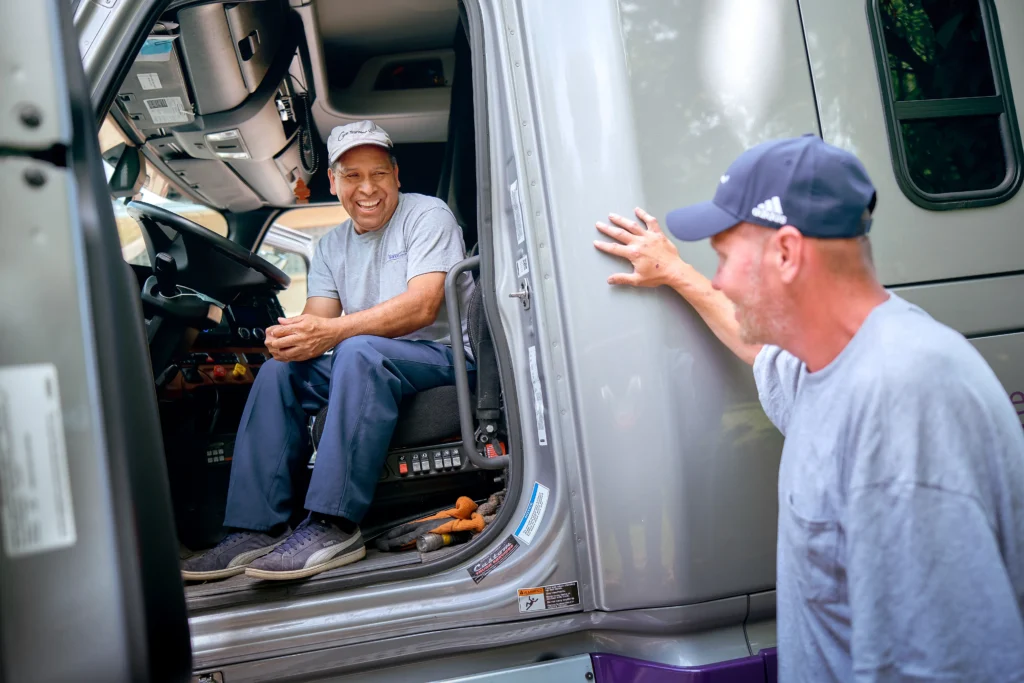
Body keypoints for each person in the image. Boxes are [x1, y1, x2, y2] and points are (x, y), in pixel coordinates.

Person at [594, 134, 1024, 681]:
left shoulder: (901, 402)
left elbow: (938, 667)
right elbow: (758, 347)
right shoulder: (827, 365)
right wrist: (678, 274)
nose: (720, 278)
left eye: (725, 257)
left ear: (788, 253)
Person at [182, 120, 475, 581]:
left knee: (357, 350)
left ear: (397, 176)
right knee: (282, 371)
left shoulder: (426, 215)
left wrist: (331, 332)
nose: (368, 188)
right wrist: (291, 339)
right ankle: (255, 529)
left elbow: (423, 306)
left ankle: (333, 524)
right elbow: (317, 322)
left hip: (442, 357)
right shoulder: (330, 246)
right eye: (352, 176)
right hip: (373, 360)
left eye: (379, 174)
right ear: (334, 183)